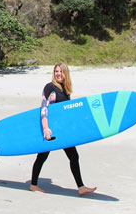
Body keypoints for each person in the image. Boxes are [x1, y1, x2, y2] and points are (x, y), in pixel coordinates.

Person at [30, 63, 96, 196]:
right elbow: (44, 108)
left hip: (62, 131)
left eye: (60, 71)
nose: (58, 74)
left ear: (66, 73)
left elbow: (66, 112)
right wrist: (45, 128)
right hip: (51, 130)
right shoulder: (50, 88)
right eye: (56, 71)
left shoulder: (65, 90)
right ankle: (33, 185)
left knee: (73, 156)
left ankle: (81, 187)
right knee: (42, 156)